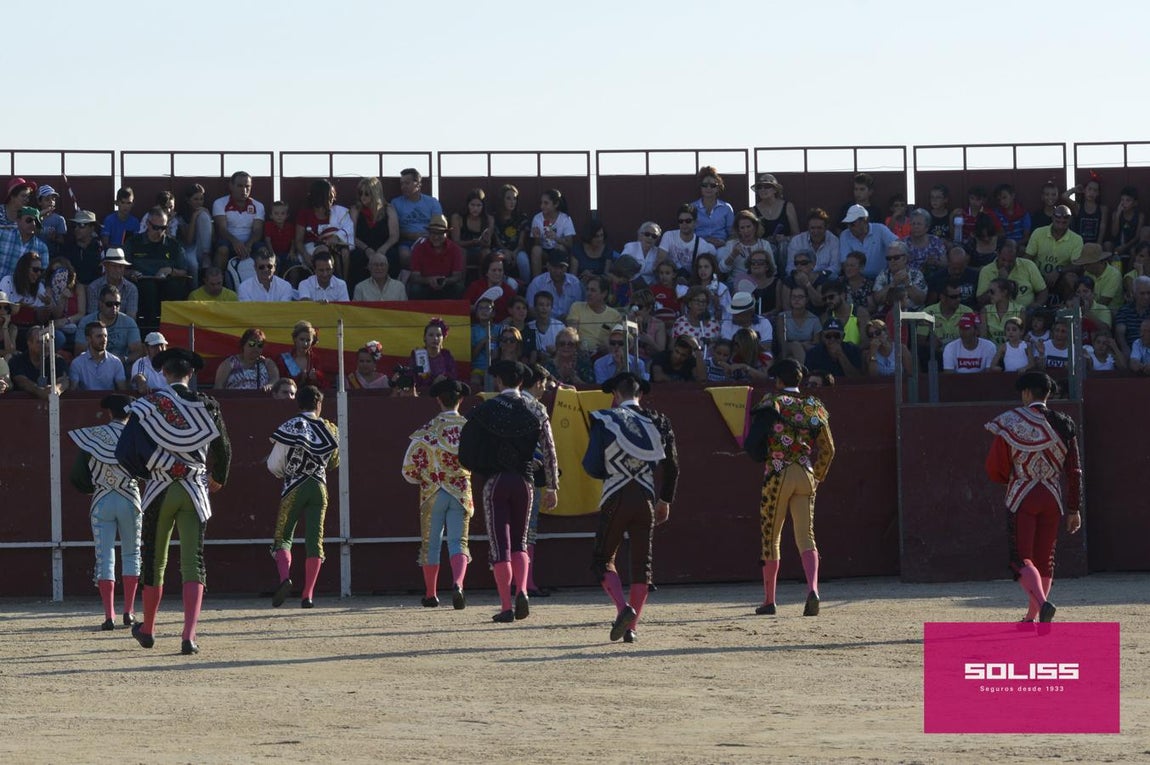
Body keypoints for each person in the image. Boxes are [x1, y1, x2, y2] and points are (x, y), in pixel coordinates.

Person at [117, 347, 231, 655]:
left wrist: (148, 471)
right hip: (195, 488)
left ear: (163, 374)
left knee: (155, 558)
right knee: (193, 560)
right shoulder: (207, 404)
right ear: (191, 374)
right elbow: (223, 448)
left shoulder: (149, 405)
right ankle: (188, 635)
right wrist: (218, 476)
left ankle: (150, 628)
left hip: (160, 487)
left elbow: (125, 450)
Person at [458, 360, 559, 623]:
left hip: (495, 482)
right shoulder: (536, 409)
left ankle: (506, 606)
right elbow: (549, 450)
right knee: (521, 541)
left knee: (499, 545)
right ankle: (522, 590)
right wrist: (551, 485)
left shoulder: (486, 409)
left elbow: (466, 447)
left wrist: (479, 466)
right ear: (522, 383)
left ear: (499, 382)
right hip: (525, 483)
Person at [582, 371, 679, 643]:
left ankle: (622, 608)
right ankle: (632, 628)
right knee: (642, 564)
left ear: (615, 395)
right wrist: (665, 500)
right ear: (642, 395)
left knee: (603, 559)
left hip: (615, 495)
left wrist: (612, 472)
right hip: (646, 499)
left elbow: (591, 465)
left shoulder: (605, 419)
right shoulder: (659, 421)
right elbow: (672, 466)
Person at [984, 372, 1082, 623]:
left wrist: (1011, 477)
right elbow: (1074, 470)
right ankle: (1032, 618)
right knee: (1045, 559)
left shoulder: (1011, 421)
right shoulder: (1064, 423)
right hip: (1052, 497)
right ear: (1048, 394)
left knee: (1022, 559)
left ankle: (1041, 603)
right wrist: (1073, 508)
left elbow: (997, 467)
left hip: (1022, 496)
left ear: (1027, 393)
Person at [744, 359, 835, 617]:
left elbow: (752, 443)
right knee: (806, 535)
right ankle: (813, 589)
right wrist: (816, 476)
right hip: (805, 473)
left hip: (777, 473)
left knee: (771, 538)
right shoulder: (813, 406)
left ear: (779, 381)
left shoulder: (771, 402)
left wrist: (765, 456)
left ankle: (770, 600)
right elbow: (828, 449)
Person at [68, 394, 142, 631]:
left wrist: (97, 486)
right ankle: (129, 612)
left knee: (104, 557)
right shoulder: (136, 437)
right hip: (130, 498)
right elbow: (149, 467)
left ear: (109, 413)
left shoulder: (93, 437)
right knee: (132, 553)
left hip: (102, 499)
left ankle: (109, 615)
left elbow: (77, 476)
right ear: (130, 414)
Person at [402, 379, 474, 609]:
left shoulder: (427, 431)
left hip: (432, 492)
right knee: (458, 541)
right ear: (461, 400)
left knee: (430, 544)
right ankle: (458, 584)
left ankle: (431, 594)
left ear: (438, 400)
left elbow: (408, 469)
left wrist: (425, 478)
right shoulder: (469, 428)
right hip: (460, 491)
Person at [266, 384, 339, 609]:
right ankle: (308, 595)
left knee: (283, 537)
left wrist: (286, 474)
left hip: (293, 487)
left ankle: (284, 578)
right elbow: (335, 462)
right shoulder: (330, 429)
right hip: (319, 487)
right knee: (314, 541)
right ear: (319, 404)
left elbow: (274, 464)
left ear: (298, 403)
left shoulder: (290, 426)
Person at [125, 206, 192, 327]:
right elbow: (123, 269)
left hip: (167, 285)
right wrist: (131, 273)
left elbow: (184, 271)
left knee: (174, 287)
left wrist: (170, 270)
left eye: (163, 228)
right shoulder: (134, 242)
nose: (159, 231)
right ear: (147, 224)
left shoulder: (173, 245)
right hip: (142, 284)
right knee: (148, 288)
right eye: (155, 227)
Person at [391, 168, 443, 272]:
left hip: (430, 239)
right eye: (402, 184)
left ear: (418, 184)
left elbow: (438, 224)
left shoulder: (432, 202)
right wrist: (412, 236)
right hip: (406, 240)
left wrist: (429, 235)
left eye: (407, 183)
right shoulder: (396, 203)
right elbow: (393, 229)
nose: (403, 187)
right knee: (404, 255)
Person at [212, 171, 266, 270]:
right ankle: (218, 280)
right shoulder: (220, 203)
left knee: (263, 251)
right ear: (231, 186)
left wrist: (249, 244)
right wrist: (235, 242)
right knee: (222, 250)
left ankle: (266, 283)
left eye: (247, 186)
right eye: (240, 186)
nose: (244, 190)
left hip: (250, 243)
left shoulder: (258, 206)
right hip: (228, 241)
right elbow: (222, 229)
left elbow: (258, 231)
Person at [75, 285, 143, 364]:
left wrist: (121, 360)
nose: (114, 307)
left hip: (121, 365)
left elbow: (138, 351)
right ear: (100, 304)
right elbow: (79, 351)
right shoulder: (86, 322)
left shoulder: (129, 322)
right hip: (92, 365)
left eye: (117, 304)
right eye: (109, 304)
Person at [408, 214, 465, 300]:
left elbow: (457, 276)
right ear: (428, 233)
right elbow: (414, 276)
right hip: (425, 286)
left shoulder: (455, 249)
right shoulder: (419, 248)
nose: (436, 237)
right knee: (414, 289)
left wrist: (444, 281)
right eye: (433, 233)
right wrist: (429, 280)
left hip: (447, 286)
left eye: (440, 234)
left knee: (459, 287)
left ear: (446, 234)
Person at [1024, 204, 1083, 288]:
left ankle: (1067, 301)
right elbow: (1028, 257)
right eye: (1058, 221)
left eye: (1064, 222)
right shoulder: (1038, 232)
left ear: (1070, 220)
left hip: (1060, 278)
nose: (1060, 226)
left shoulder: (1077, 239)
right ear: (1052, 218)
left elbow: (1077, 266)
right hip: (1037, 276)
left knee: (1071, 278)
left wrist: (1059, 271)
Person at [566, 274, 622, 354]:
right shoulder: (576, 307)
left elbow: (617, 342)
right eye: (587, 289)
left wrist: (607, 347)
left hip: (603, 355)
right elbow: (572, 334)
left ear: (604, 294)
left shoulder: (615, 315)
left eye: (593, 290)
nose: (588, 293)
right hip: (579, 353)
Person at [659, 204, 717, 281]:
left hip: (690, 283)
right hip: (669, 281)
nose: (684, 224)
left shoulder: (702, 245)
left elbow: (704, 272)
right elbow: (660, 260)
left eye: (688, 221)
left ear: (696, 223)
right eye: (681, 221)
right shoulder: (669, 236)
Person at [9, 326, 70, 399]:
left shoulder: (58, 360)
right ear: (29, 343)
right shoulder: (17, 360)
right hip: (23, 405)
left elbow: (64, 380)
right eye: (40, 342)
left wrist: (56, 390)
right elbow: (22, 381)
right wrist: (39, 391)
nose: (45, 346)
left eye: (47, 341)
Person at [749, 173, 800, 260]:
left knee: (783, 246)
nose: (762, 189)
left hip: (786, 248)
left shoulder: (788, 206)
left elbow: (796, 234)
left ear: (775, 190)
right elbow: (753, 238)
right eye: (759, 187)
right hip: (764, 249)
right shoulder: (753, 211)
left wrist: (785, 238)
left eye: (767, 186)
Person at [839, 204, 897, 279]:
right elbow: (845, 262)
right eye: (848, 224)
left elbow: (898, 245)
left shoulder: (880, 229)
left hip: (882, 278)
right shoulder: (845, 235)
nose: (849, 227)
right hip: (856, 279)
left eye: (852, 224)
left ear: (865, 221)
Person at [214, 328, 279, 391]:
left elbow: (275, 380)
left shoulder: (268, 363)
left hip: (260, 400)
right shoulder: (230, 363)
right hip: (234, 400)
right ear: (243, 344)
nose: (256, 347)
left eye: (260, 344)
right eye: (252, 343)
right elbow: (218, 386)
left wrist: (269, 385)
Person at [69, 323, 127, 392]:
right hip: (86, 401)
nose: (104, 340)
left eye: (105, 336)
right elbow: (72, 391)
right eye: (99, 336)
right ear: (88, 339)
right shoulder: (77, 363)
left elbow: (122, 390)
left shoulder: (116, 362)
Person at [527, 250, 583, 321]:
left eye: (562, 267)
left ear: (567, 267)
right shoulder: (537, 283)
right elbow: (531, 310)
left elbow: (579, 308)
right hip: (544, 326)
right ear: (548, 265)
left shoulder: (575, 283)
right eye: (555, 267)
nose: (558, 271)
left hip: (570, 326)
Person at [786, 208, 840, 277]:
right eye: (812, 228)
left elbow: (836, 267)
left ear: (826, 227)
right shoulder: (796, 241)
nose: (816, 232)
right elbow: (790, 267)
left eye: (819, 228)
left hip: (824, 278)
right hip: (800, 278)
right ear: (808, 228)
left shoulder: (834, 241)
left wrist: (818, 275)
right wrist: (801, 276)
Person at [450, 187, 495, 269]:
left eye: (478, 205)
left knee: (487, 253)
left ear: (483, 206)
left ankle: (485, 279)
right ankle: (460, 280)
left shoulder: (489, 219)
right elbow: (455, 242)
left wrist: (485, 239)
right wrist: (472, 242)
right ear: (467, 205)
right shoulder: (457, 218)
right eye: (472, 205)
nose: (475, 209)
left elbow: (488, 244)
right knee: (461, 251)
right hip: (462, 251)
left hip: (480, 251)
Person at [692, 166, 734, 248]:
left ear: (718, 188)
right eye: (705, 185)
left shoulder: (726, 208)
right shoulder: (692, 208)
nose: (708, 188)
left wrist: (724, 244)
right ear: (700, 187)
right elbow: (688, 231)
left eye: (713, 185)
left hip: (722, 247)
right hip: (698, 247)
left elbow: (732, 233)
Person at [278, 320, 328, 389]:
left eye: (308, 340)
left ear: (312, 341)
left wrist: (316, 378)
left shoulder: (315, 360)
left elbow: (325, 385)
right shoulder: (286, 358)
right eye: (302, 339)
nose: (305, 344)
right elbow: (279, 384)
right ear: (295, 339)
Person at [65, 210, 105, 287]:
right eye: (75, 225)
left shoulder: (99, 248)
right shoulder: (68, 247)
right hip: (74, 289)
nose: (76, 229)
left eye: (82, 225)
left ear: (92, 228)